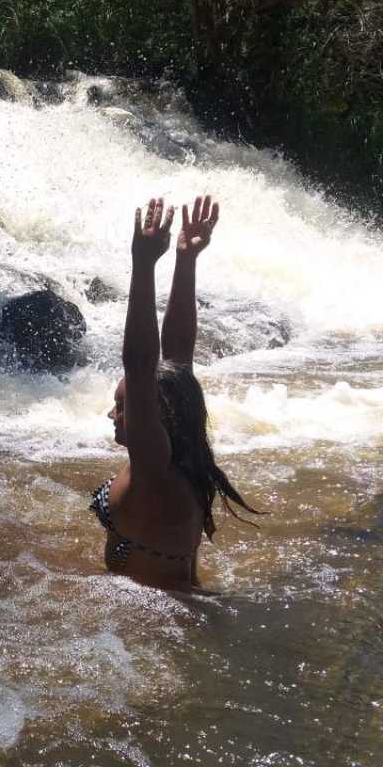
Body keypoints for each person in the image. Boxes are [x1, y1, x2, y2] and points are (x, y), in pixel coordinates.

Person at [91, 195, 261, 591]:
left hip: (149, 630)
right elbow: (178, 357)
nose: (112, 415)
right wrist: (186, 260)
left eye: (123, 406)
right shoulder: (185, 457)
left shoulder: (153, 467)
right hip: (180, 612)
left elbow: (140, 362)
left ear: (156, 415)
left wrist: (144, 265)